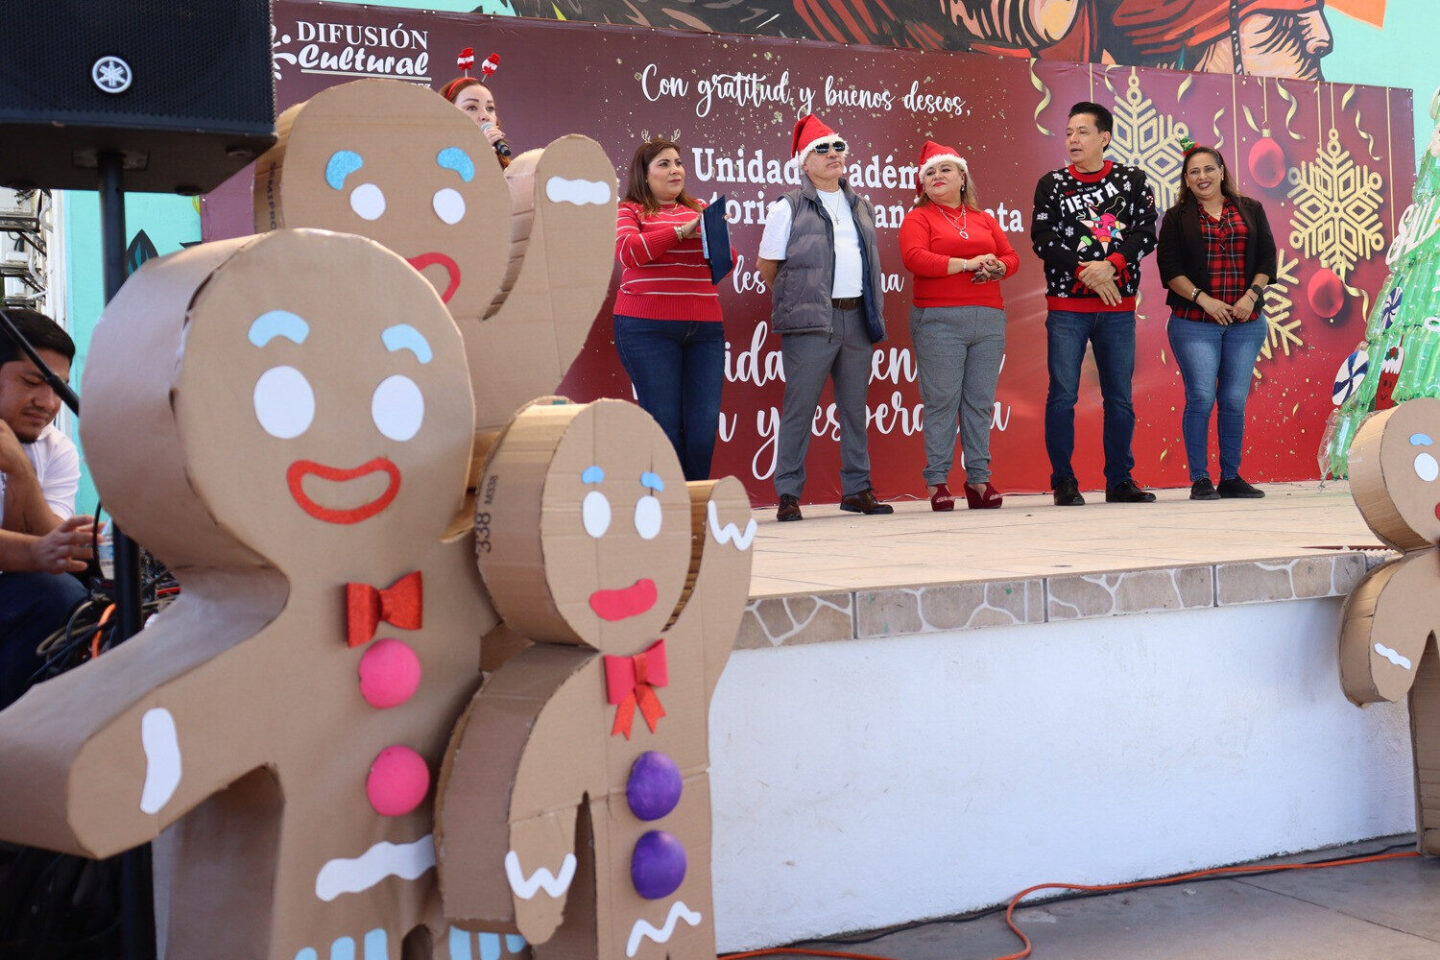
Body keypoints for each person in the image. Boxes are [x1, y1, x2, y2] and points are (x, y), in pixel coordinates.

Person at [757, 114, 890, 521]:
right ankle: (788, 494)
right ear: (804, 161)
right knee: (800, 407)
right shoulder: (788, 206)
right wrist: (803, 299)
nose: (834, 155)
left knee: (854, 408)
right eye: (823, 149)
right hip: (812, 322)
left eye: (838, 147)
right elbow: (768, 266)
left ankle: (857, 490)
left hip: (856, 318)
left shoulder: (861, 204)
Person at [1031, 101, 1158, 506]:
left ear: (1104, 137)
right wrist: (1090, 271)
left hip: (1118, 310)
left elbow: (1145, 233)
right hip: (1067, 308)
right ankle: (1064, 481)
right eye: (1068, 132)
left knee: (1119, 396)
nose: (1073, 139)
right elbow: (1043, 240)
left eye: (1082, 132)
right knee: (1063, 394)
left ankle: (1120, 480)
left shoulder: (1132, 180)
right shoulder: (1051, 184)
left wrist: (1114, 265)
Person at [900, 141, 1019, 511]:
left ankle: (978, 481)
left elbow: (1010, 256)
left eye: (945, 170)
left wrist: (999, 267)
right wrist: (968, 264)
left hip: (987, 318)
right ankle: (938, 482)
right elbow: (915, 258)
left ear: (962, 176)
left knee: (980, 403)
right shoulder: (918, 217)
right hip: (939, 321)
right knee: (941, 402)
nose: (937, 177)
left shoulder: (983, 218)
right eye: (930, 173)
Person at [1157, 142, 1276, 500]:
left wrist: (1250, 297)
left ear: (1222, 171)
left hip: (1246, 321)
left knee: (1235, 400)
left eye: (1209, 169)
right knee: (1201, 396)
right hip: (1194, 321)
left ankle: (1231, 477)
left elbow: (1267, 260)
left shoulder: (1251, 209)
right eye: (1194, 172)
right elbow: (1170, 270)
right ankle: (1200, 479)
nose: (1202, 176)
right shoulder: (1177, 217)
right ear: (1186, 180)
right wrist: (1204, 300)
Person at [612, 138, 724, 481]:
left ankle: (694, 506)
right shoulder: (629, 210)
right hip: (646, 328)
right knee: (665, 425)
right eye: (664, 164)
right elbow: (629, 253)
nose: (675, 169)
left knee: (703, 426)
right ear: (644, 176)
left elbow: (723, 262)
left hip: (704, 329)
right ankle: (666, 510)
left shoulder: (701, 208)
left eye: (678, 162)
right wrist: (680, 232)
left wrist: (714, 236)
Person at [0, 309, 94, 710]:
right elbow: (45, 551)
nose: (49, 402)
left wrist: (21, 471)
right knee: (53, 592)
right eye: (32, 382)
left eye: (58, 387)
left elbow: (59, 546)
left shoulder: (56, 449)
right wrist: (39, 552)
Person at [439, 53, 511, 168]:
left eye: (490, 108)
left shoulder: (508, 169)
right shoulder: (434, 159)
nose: (485, 116)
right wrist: (479, 153)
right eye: (471, 107)